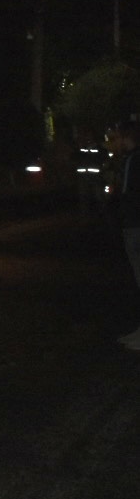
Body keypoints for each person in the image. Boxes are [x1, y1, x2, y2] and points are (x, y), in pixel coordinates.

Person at [113, 122, 140, 349]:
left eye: (117, 137)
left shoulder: (133, 159)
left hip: (135, 224)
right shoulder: (131, 158)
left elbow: (127, 193)